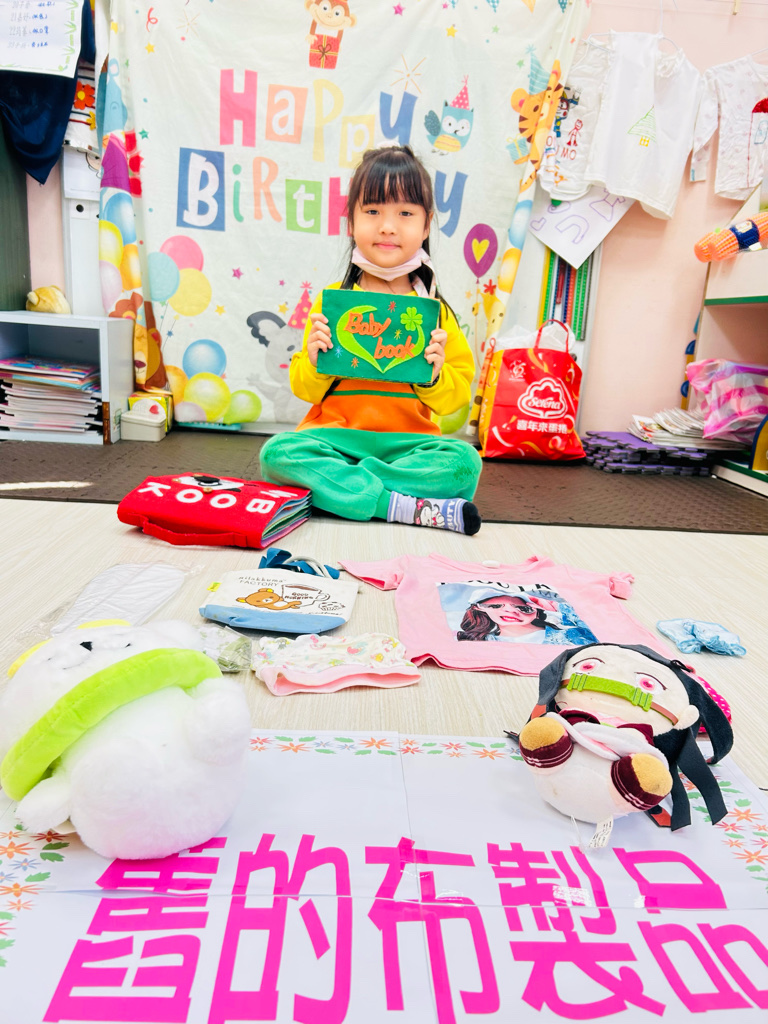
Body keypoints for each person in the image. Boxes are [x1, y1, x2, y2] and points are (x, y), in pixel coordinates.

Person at [259, 144, 483, 535]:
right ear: (351, 221)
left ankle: (348, 491)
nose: (388, 227)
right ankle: (396, 504)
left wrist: (434, 376)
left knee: (464, 462)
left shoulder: (435, 312)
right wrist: (314, 361)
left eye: (405, 213)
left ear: (426, 225)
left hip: (409, 446)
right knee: (277, 454)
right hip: (334, 441)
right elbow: (303, 388)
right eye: (373, 211)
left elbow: (456, 399)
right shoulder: (332, 302)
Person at [457, 594, 598, 645]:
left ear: (537, 611)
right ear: (480, 608)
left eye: (523, 608)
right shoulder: (477, 640)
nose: (510, 611)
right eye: (496, 606)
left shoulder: (569, 633)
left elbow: (600, 640)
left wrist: (559, 608)